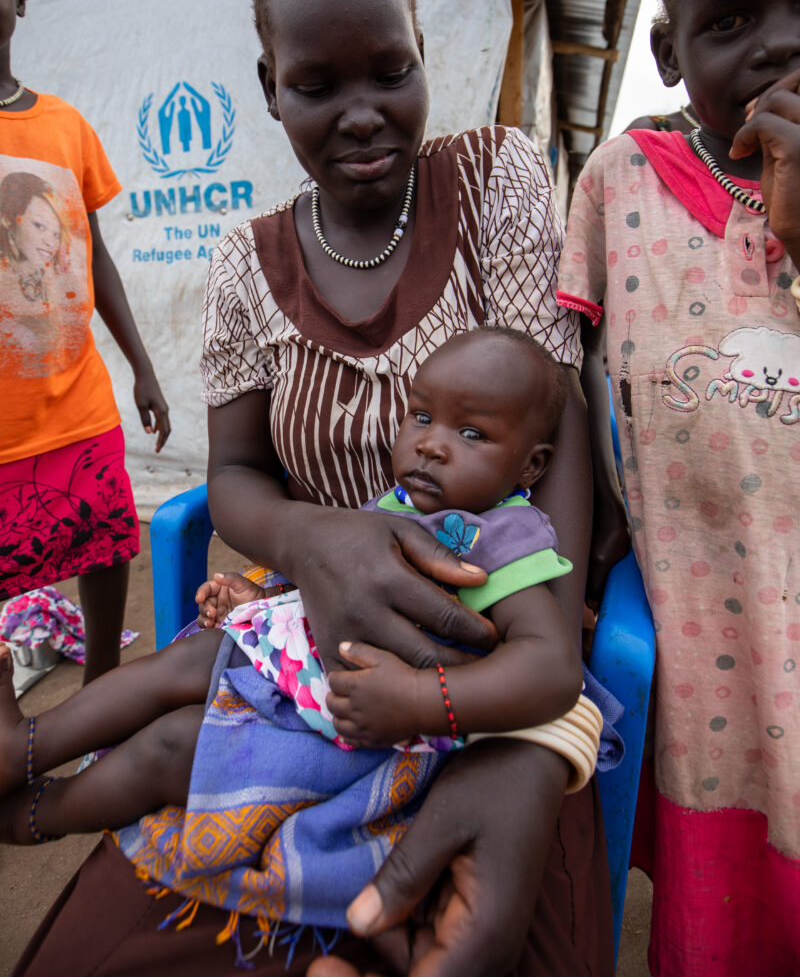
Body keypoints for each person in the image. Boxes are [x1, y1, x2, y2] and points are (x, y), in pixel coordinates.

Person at [14, 0, 612, 977]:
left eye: (389, 72)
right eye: (316, 85)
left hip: (492, 654)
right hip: (307, 653)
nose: (361, 115)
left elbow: (549, 425)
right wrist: (315, 541)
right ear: (267, 85)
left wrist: (536, 701)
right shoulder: (244, 265)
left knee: (472, 925)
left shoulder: (496, 181)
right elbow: (234, 479)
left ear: (424, 54)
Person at [0, 329, 600, 938]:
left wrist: (420, 700)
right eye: (421, 416)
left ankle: (36, 814)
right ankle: (25, 744)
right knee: (185, 661)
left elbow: (553, 671)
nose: (431, 446)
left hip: (364, 728)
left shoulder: (507, 543)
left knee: (175, 746)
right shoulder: (403, 504)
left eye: (471, 433)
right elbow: (337, 590)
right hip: (306, 674)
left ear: (531, 463)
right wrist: (265, 601)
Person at [557, 0, 800, 977]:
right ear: (665, 49)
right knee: (718, 912)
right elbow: (568, 374)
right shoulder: (619, 182)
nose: (778, 48)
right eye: (729, 20)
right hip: (702, 630)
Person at [0, 0, 171, 683]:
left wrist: (142, 367)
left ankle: (103, 693)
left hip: (80, 405)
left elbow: (93, 256)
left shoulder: (65, 126)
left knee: (107, 550)